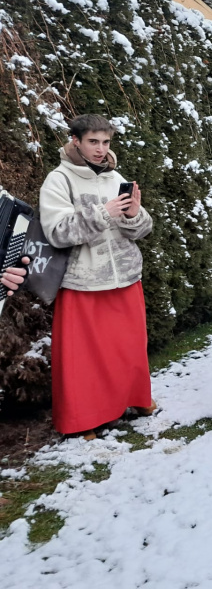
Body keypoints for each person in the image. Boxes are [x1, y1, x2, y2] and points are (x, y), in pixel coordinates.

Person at [39, 114, 155, 440]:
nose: (100, 149)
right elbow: (57, 233)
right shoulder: (59, 180)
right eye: (93, 141)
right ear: (75, 140)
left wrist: (134, 215)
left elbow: (143, 229)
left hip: (126, 276)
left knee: (128, 349)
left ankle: (135, 400)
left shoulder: (114, 176)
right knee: (84, 359)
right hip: (84, 281)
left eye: (105, 142)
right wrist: (105, 213)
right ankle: (82, 419)